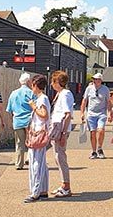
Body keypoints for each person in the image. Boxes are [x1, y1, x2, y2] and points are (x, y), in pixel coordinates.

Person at [25, 75, 50, 203]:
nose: (31, 88)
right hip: (38, 133)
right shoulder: (42, 98)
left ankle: (35, 192)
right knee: (41, 164)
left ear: (36, 86)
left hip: (39, 134)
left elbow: (44, 115)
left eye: (33, 85)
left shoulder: (42, 99)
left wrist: (33, 106)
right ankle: (43, 190)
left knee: (36, 164)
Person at [50, 70, 73, 198]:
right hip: (58, 128)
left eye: (53, 81)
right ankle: (63, 183)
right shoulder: (60, 94)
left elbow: (67, 114)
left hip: (61, 129)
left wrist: (63, 134)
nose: (52, 84)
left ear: (58, 82)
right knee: (58, 157)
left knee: (60, 157)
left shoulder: (65, 94)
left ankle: (66, 186)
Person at [80, 72, 110, 159]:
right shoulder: (89, 89)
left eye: (98, 79)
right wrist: (82, 113)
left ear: (101, 80)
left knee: (100, 130)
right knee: (92, 132)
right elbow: (84, 101)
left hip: (101, 113)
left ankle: (99, 148)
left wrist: (110, 113)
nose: (96, 81)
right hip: (91, 113)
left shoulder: (105, 89)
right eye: (95, 79)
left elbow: (108, 102)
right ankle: (93, 151)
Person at [7, 72, 33, 170]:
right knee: (31, 142)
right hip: (29, 121)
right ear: (29, 81)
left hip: (17, 121)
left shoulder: (13, 93)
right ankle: (30, 159)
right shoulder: (31, 93)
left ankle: (19, 163)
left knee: (19, 143)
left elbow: (9, 109)